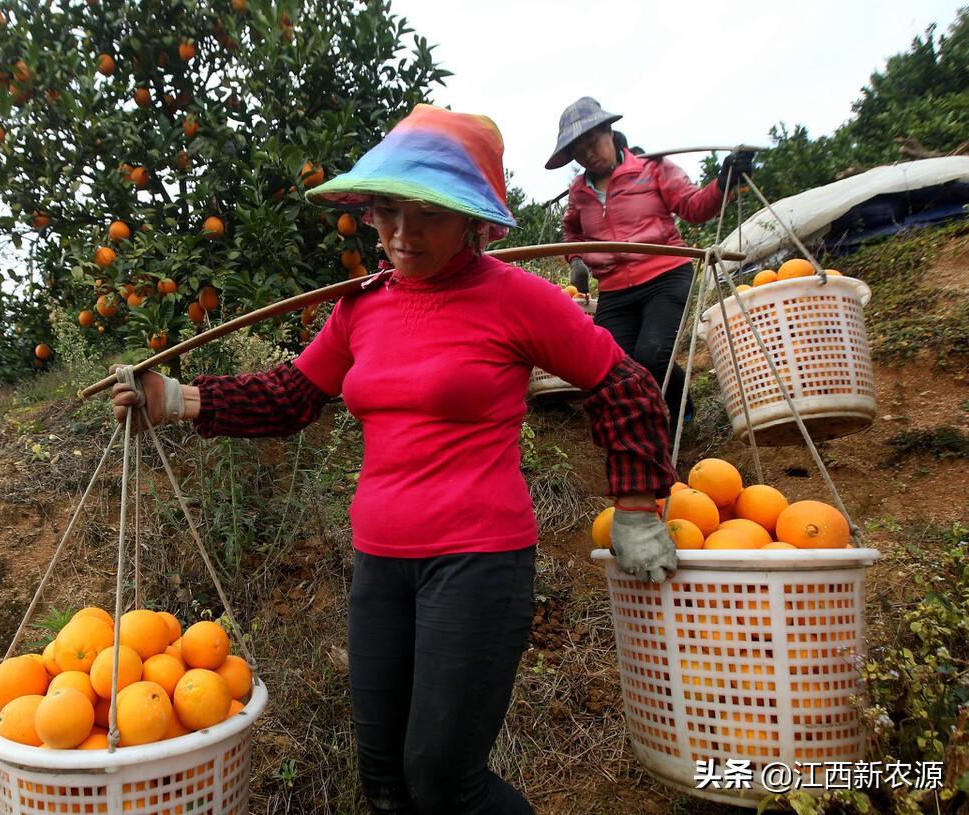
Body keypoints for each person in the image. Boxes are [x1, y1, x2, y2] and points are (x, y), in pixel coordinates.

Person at [113, 104, 679, 815]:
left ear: (472, 219)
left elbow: (620, 380)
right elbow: (293, 393)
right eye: (387, 211)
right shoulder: (362, 308)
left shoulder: (517, 299)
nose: (403, 235)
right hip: (380, 564)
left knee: (443, 780)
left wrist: (636, 505)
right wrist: (177, 399)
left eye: (429, 215)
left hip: (479, 563)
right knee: (384, 782)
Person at [545, 97, 754, 428]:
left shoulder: (652, 169)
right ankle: (653, 420)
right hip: (615, 290)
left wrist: (723, 182)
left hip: (666, 275)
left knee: (652, 354)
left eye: (592, 143)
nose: (589, 155)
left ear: (609, 132)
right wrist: (576, 261)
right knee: (617, 366)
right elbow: (572, 231)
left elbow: (693, 206)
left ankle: (679, 408)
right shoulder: (579, 192)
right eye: (579, 152)